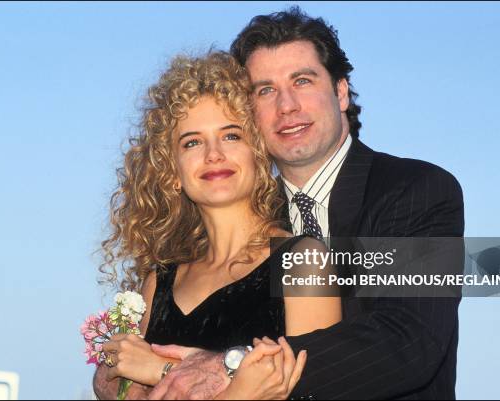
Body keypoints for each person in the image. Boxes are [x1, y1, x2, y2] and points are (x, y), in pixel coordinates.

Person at [146, 6, 465, 400]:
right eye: (265, 90)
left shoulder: (416, 190)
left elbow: (408, 340)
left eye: (302, 80)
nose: (287, 106)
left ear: (341, 91)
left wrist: (234, 366)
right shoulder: (244, 219)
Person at [92, 51, 342, 400]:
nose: (213, 154)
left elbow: (319, 390)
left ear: (257, 154)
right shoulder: (158, 284)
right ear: (172, 172)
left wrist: (160, 370)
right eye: (192, 142)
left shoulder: (303, 262)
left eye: (230, 136)